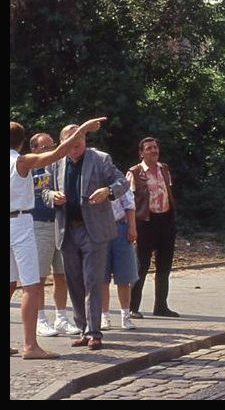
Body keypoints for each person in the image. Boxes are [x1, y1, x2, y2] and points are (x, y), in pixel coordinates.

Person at [11, 117, 105, 359]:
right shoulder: (21, 161)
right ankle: (30, 345)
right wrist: (82, 130)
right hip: (20, 222)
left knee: (10, 284)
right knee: (31, 286)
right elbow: (58, 154)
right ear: (22, 142)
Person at [41, 120, 128, 351]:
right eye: (71, 139)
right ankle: (82, 329)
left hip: (94, 230)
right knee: (74, 283)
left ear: (85, 140)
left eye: (79, 138)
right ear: (62, 143)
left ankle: (94, 333)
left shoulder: (101, 159)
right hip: (66, 229)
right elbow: (44, 191)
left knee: (92, 281)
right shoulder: (54, 162)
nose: (76, 143)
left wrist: (107, 191)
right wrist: (52, 196)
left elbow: (122, 183)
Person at [27, 133, 74, 338]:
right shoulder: (27, 168)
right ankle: (40, 319)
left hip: (60, 224)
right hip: (39, 224)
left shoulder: (60, 166)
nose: (50, 150)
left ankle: (62, 317)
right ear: (34, 150)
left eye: (52, 145)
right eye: (44, 147)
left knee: (62, 275)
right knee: (38, 277)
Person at [127, 137, 179, 318]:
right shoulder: (134, 172)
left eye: (155, 147)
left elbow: (168, 192)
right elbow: (128, 201)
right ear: (141, 153)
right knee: (141, 266)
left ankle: (161, 306)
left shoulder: (164, 169)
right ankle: (133, 307)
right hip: (145, 222)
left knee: (164, 266)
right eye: (149, 148)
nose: (153, 151)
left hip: (165, 221)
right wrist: (131, 225)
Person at [99, 183, 138, 330]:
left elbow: (129, 204)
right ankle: (104, 316)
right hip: (100, 229)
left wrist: (132, 228)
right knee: (102, 277)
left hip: (120, 227)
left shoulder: (119, 180)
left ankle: (126, 316)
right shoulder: (91, 176)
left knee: (124, 275)